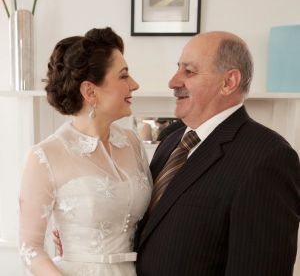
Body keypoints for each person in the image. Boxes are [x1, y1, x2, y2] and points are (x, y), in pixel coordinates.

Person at [134, 31, 300, 275]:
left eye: (188, 72)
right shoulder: (171, 141)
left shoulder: (268, 157)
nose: (173, 81)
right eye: (178, 69)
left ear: (228, 82)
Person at [18, 27, 152, 276]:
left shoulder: (133, 143)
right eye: (123, 76)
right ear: (90, 91)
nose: (134, 85)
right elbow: (30, 247)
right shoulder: (45, 156)